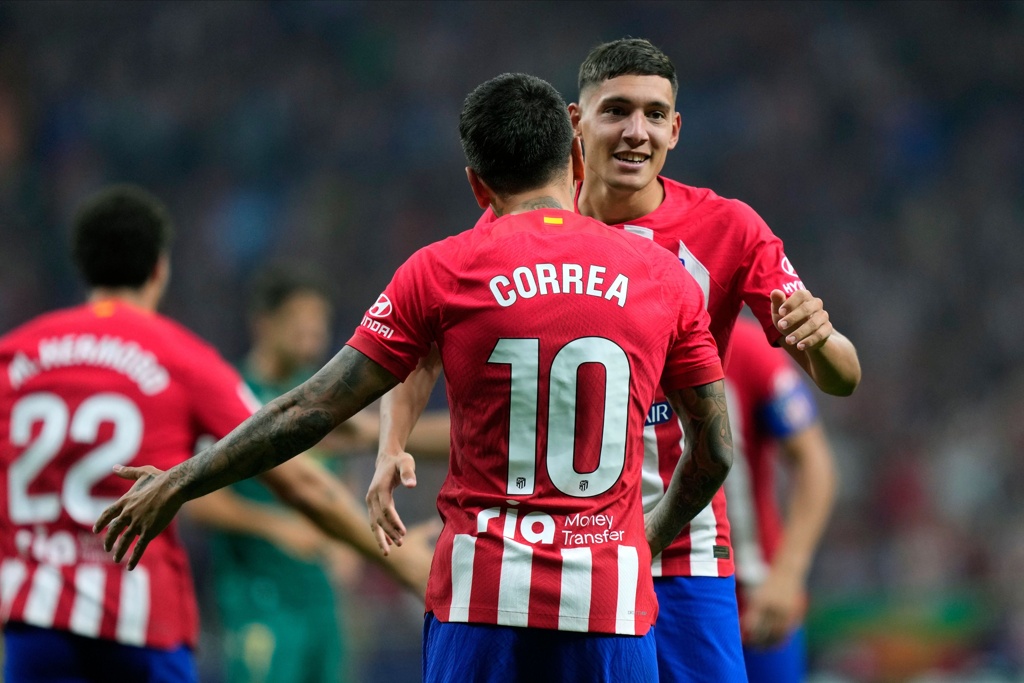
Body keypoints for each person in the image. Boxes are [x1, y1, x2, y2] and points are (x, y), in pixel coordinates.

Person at [95, 73, 735, 683]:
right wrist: (645, 539)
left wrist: (180, 480)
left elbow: (310, 409)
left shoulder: (442, 271)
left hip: (480, 606)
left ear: (477, 184)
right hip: (610, 608)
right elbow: (716, 451)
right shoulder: (664, 278)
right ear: (575, 158)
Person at [379, 38, 861, 683]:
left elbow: (842, 378)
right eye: (617, 111)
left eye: (655, 115)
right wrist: (392, 442)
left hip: (683, 545)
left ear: (675, 130)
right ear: (576, 123)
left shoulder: (729, 229)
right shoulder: (521, 222)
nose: (637, 132)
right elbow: (422, 340)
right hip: (556, 549)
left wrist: (821, 338)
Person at [0, 185, 432, 683]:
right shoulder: (183, 359)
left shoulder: (14, 357)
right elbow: (300, 482)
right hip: (142, 625)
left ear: (82, 266)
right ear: (159, 269)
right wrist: (403, 563)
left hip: (35, 623)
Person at [723, 316, 836, 682]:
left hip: (755, 600)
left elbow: (815, 463)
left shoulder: (747, 348)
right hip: (652, 596)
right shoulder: (625, 341)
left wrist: (787, 574)